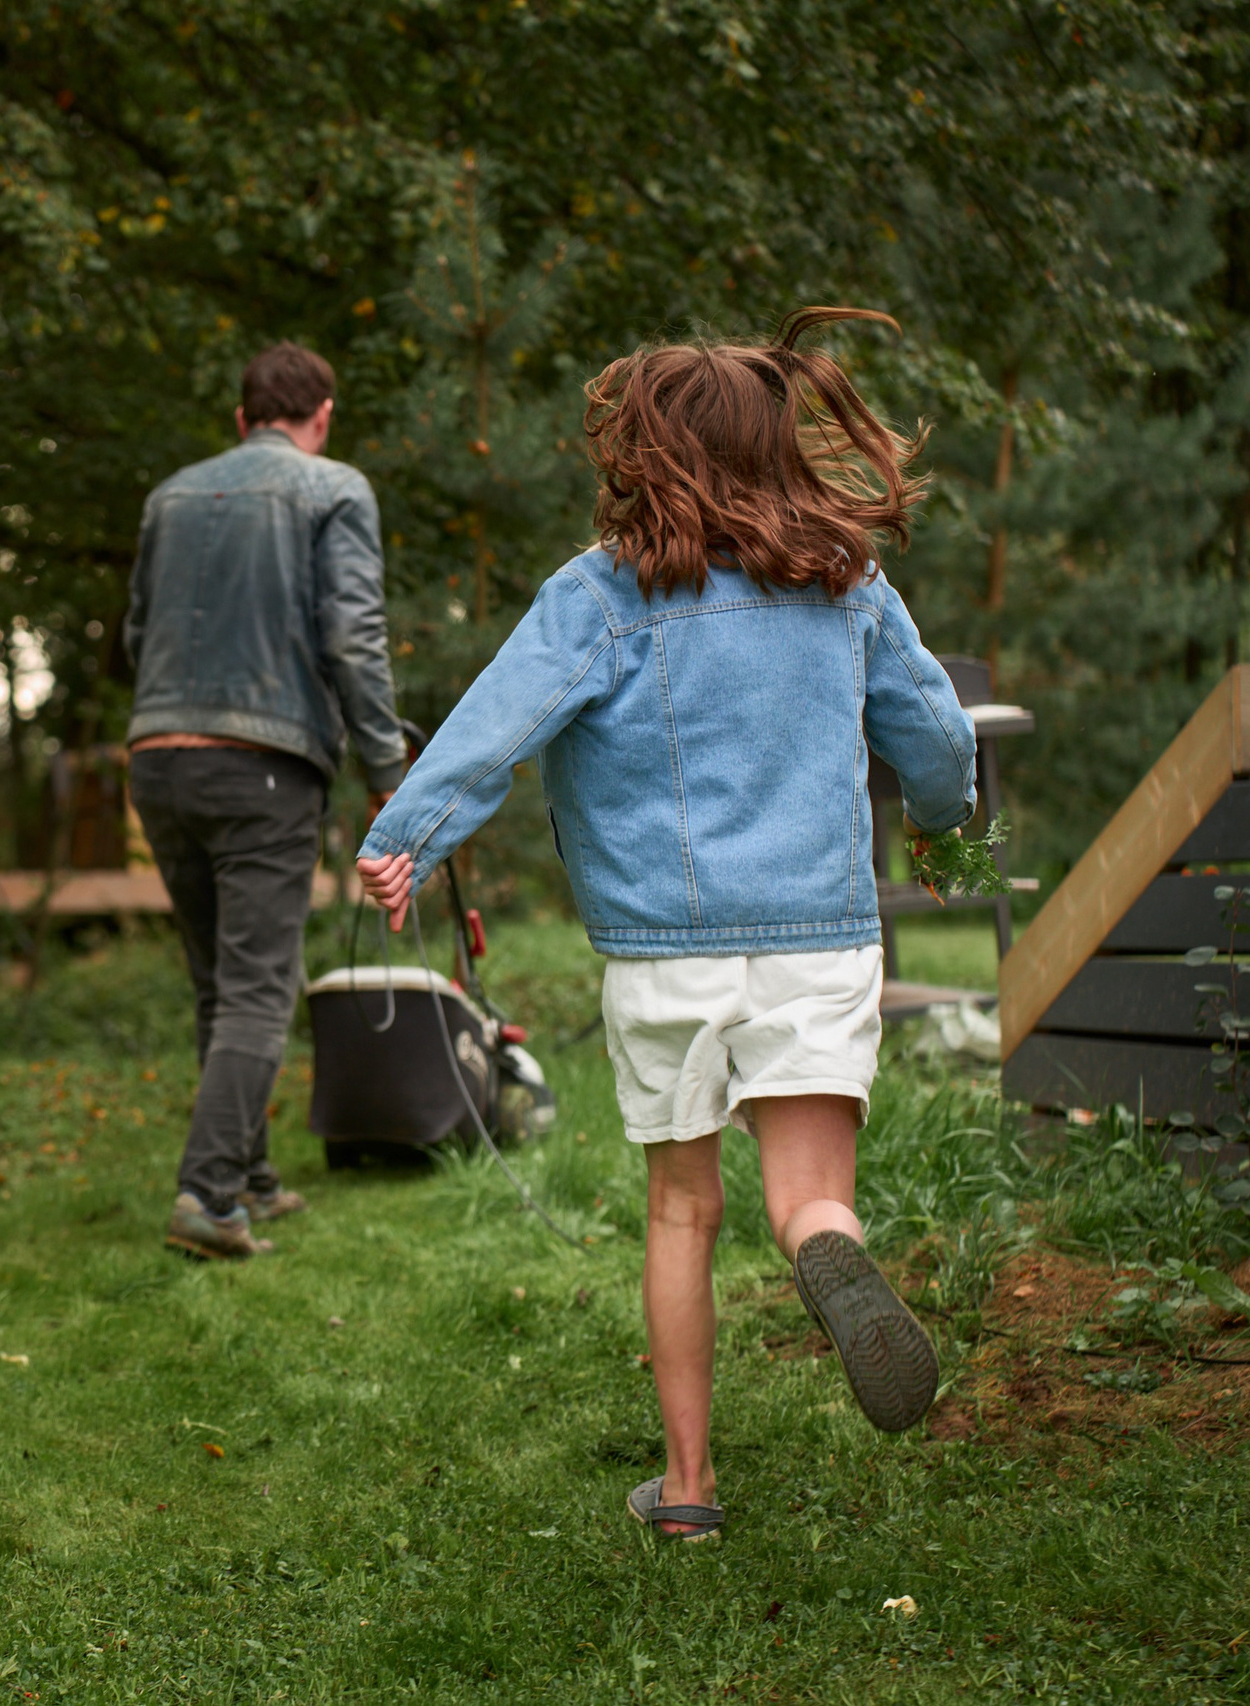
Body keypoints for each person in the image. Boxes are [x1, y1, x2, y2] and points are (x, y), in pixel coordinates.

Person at [355, 308, 974, 1541]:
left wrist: (402, 838)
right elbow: (937, 737)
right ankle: (831, 1251)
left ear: (646, 453)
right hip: (817, 935)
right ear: (777, 443)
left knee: (682, 1208)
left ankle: (686, 1488)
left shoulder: (599, 592)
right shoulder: (846, 579)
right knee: (806, 1196)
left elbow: (495, 724)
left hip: (664, 951)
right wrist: (941, 824)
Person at [127, 342, 411, 1261]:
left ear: (241, 415)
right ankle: (208, 1196)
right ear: (321, 415)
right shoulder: (333, 488)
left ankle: (247, 1175)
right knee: (256, 988)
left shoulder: (169, 497)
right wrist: (386, 769)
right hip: (265, 766)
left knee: (222, 981)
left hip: (158, 757)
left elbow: (137, 631)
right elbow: (353, 637)